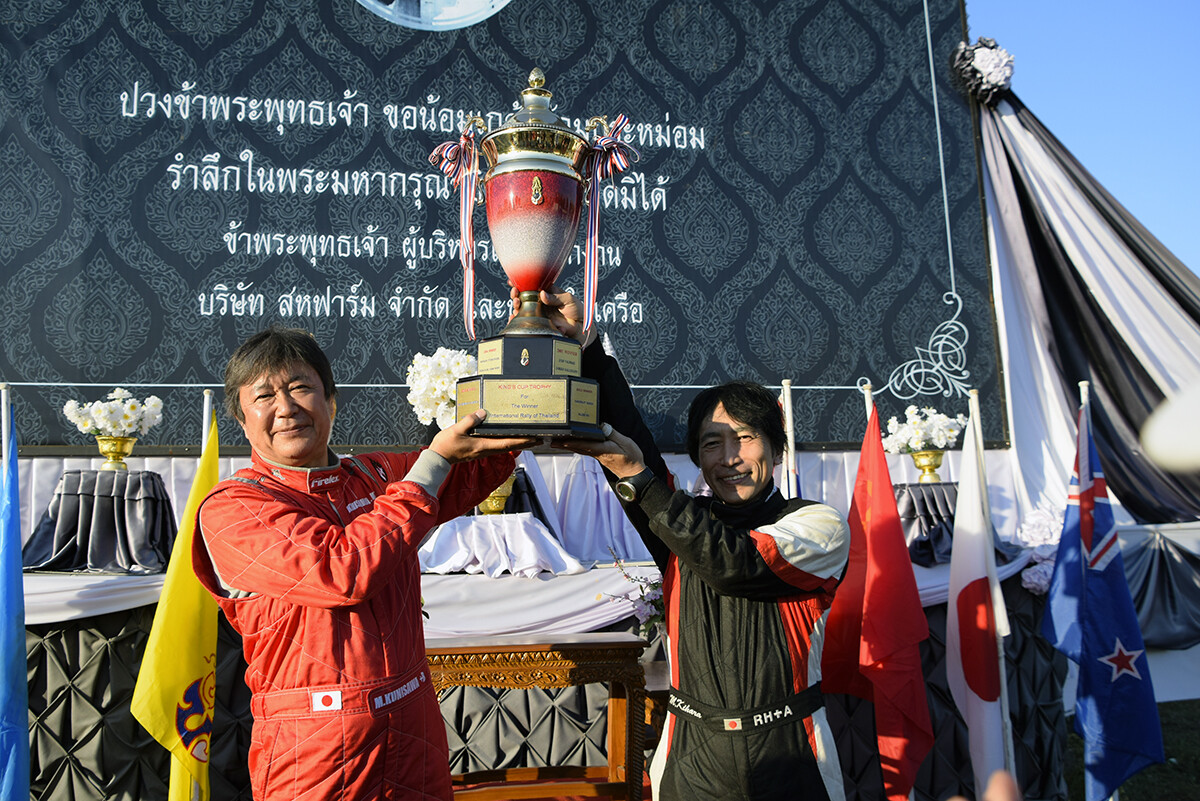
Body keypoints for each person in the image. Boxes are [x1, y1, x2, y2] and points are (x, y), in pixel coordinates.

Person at [191, 326, 534, 801]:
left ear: (330, 401)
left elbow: (480, 462)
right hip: (314, 747)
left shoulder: (371, 474)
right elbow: (340, 571)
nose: (287, 408)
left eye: (301, 388)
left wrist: (541, 360)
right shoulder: (233, 508)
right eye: (265, 395)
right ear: (241, 419)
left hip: (415, 727)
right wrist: (429, 466)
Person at [536, 288, 852, 801]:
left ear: (775, 446)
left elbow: (736, 562)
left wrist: (640, 478)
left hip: (791, 752)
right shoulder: (677, 521)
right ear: (698, 459)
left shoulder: (819, 524)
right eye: (712, 443)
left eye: (746, 438)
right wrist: (587, 346)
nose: (730, 457)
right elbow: (632, 443)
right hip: (691, 756)